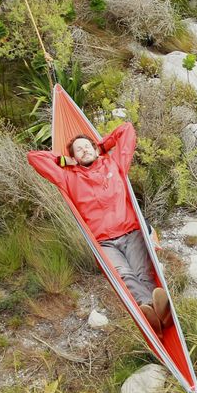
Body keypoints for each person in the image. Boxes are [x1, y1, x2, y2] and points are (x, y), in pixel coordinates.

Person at [27, 122, 171, 331]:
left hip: (131, 232)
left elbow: (127, 130)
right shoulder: (67, 177)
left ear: (95, 149)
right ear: (74, 157)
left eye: (87, 145)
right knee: (124, 274)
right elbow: (34, 157)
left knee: (142, 272)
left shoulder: (115, 164)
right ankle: (153, 309)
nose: (84, 149)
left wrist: (102, 146)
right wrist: (64, 160)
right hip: (104, 243)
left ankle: (152, 311)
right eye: (79, 149)